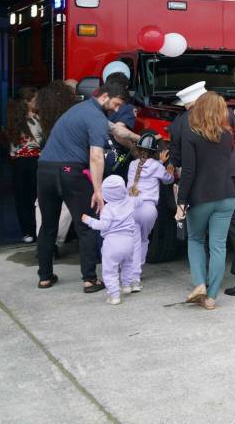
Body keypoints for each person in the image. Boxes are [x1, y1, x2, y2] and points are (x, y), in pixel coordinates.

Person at [35, 78, 129, 291]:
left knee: (48, 225)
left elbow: (116, 130)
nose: (116, 109)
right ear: (104, 96)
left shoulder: (78, 110)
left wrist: (135, 137)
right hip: (71, 172)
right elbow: (96, 156)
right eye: (116, 104)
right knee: (85, 224)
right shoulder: (96, 117)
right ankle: (89, 279)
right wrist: (98, 190)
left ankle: (45, 277)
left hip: (45, 170)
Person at [169, 81, 235, 296]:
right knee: (234, 229)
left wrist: (181, 199)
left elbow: (180, 160)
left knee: (199, 237)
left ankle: (204, 281)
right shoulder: (226, 113)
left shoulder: (182, 122)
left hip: (201, 186)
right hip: (231, 178)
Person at [175, 92, 235, 310]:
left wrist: (181, 201)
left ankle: (200, 284)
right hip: (227, 196)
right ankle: (211, 298)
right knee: (218, 245)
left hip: (201, 198)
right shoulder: (227, 136)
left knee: (195, 239)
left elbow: (188, 172)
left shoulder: (190, 134)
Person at [127, 132, 174, 291]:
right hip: (148, 209)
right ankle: (135, 277)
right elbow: (168, 179)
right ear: (155, 151)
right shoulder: (156, 166)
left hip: (130, 207)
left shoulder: (133, 165)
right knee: (143, 240)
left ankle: (127, 275)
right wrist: (167, 168)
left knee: (132, 241)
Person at [33, 81, 77, 252]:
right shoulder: (72, 113)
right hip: (67, 165)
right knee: (65, 205)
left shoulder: (47, 115)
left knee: (42, 204)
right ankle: (55, 243)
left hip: (45, 165)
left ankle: (43, 243)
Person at [81, 175, 137, 305]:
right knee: (128, 264)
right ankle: (127, 285)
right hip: (129, 241)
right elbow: (138, 200)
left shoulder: (108, 209)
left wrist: (89, 220)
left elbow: (103, 225)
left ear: (105, 193)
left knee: (110, 270)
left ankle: (114, 295)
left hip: (112, 243)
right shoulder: (129, 201)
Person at [7, 87, 41, 243]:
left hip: (24, 162)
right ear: (27, 102)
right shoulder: (26, 120)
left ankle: (30, 231)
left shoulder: (29, 118)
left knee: (28, 197)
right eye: (35, 99)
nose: (38, 102)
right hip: (28, 162)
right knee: (28, 197)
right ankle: (30, 230)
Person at [104, 71, 136, 178]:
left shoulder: (97, 104)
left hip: (92, 155)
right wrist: (135, 151)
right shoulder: (127, 108)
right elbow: (119, 134)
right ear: (125, 88)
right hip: (116, 158)